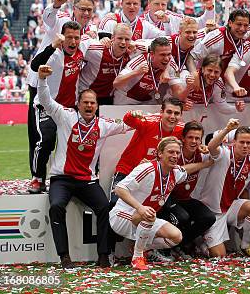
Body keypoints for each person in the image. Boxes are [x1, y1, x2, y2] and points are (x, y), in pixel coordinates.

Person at [36, 65, 131, 269]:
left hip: (87, 181)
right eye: (85, 102)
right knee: (56, 207)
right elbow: (46, 101)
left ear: (97, 106)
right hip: (62, 179)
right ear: (78, 104)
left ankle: (103, 256)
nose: (89, 106)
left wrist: (144, 117)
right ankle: (65, 257)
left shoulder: (104, 125)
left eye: (92, 103)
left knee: (105, 207)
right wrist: (42, 80)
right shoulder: (65, 117)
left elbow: (127, 125)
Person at [110, 137, 211, 270]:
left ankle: (140, 248)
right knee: (149, 213)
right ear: (159, 153)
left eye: (177, 153)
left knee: (176, 237)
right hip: (122, 216)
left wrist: (206, 163)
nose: (175, 156)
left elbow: (187, 169)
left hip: (146, 218)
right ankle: (138, 257)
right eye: (170, 152)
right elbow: (119, 188)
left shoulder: (176, 173)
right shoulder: (147, 169)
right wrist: (139, 208)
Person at [27, 22, 92, 193]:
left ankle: (69, 179)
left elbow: (98, 40)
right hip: (47, 106)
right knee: (46, 140)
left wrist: (101, 37)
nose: (73, 41)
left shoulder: (83, 47)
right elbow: (35, 66)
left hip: (69, 109)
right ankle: (37, 179)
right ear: (62, 39)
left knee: (74, 144)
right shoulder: (55, 54)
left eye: (76, 37)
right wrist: (53, 45)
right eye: (69, 37)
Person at [199, 119, 250, 258]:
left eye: (248, 143)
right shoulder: (223, 154)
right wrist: (227, 129)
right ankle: (201, 244)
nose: (245, 146)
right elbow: (211, 146)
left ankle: (245, 245)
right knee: (219, 255)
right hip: (212, 211)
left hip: (230, 208)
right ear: (233, 142)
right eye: (241, 142)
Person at [110, 97, 185, 206]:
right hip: (128, 170)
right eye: (169, 112)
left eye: (176, 113)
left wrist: (202, 147)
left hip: (152, 177)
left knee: (152, 209)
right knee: (114, 204)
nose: (172, 117)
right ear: (161, 112)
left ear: (181, 115)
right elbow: (128, 120)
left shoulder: (181, 129)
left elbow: (192, 139)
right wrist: (132, 114)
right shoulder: (149, 122)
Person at [167, 122, 216, 258]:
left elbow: (218, 153)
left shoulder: (201, 153)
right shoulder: (175, 152)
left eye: (197, 138)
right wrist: (203, 165)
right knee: (183, 217)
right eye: (190, 137)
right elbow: (178, 170)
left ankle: (180, 245)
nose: (194, 141)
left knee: (208, 218)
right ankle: (164, 249)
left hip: (185, 198)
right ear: (183, 138)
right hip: (167, 197)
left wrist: (208, 149)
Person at [112, 37, 178, 104]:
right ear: (152, 54)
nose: (166, 58)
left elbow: (178, 89)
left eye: (169, 54)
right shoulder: (140, 61)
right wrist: (136, 72)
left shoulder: (171, 65)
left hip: (147, 99)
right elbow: (116, 83)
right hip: (126, 98)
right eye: (162, 55)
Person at [79, 24, 134, 105]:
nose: (123, 42)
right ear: (112, 38)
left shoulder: (132, 52)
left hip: (108, 97)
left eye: (127, 39)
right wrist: (88, 36)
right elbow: (75, 45)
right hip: (87, 94)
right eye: (120, 38)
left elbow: (153, 44)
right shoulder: (97, 50)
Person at [143, 0, 215, 35]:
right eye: (156, 4)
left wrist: (209, 8)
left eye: (163, 4)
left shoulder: (174, 18)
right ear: (149, 3)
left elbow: (201, 23)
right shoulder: (141, 21)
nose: (160, 8)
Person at [98, 0, 164, 40]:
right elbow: (101, 45)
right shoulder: (110, 21)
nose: (132, 7)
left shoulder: (144, 24)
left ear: (139, 5)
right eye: (128, 3)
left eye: (135, 4)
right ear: (121, 4)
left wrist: (167, 21)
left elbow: (164, 36)